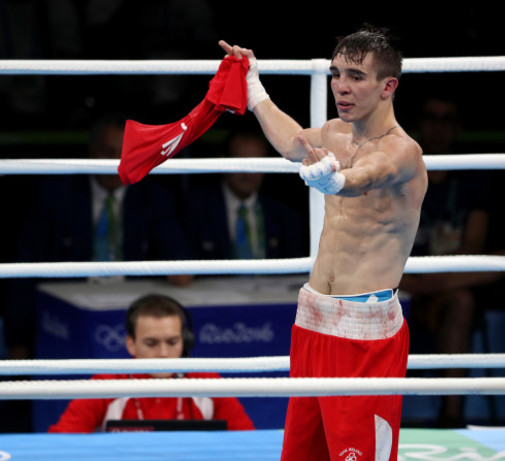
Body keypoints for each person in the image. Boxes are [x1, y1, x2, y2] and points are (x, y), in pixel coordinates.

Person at [220, 24, 427, 461]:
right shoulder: (334, 132)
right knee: (302, 453)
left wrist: (335, 180)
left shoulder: (403, 152)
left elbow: (368, 175)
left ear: (389, 86)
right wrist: (254, 89)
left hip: (364, 333)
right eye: (336, 74)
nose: (340, 87)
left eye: (355, 76)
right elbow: (292, 142)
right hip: (312, 318)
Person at [3, 114, 192, 360]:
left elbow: (179, 261)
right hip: (67, 320)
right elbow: (24, 270)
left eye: (124, 152)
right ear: (91, 151)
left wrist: (178, 265)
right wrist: (17, 341)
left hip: (135, 314)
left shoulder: (155, 198)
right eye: (107, 152)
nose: (116, 162)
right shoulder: (54, 196)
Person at [399, 96, 505, 427]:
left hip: (451, 280)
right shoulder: (399, 169)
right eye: (431, 118)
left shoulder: (472, 178)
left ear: (457, 128)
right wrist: (417, 284)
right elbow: (382, 243)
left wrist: (435, 285)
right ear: (419, 124)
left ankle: (452, 417)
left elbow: (474, 248)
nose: (438, 127)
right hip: (401, 281)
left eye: (447, 119)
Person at [48, 293, 255, 432]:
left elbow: (250, 443)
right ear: (131, 344)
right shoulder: (106, 385)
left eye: (173, 342)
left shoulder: (207, 384)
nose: (164, 353)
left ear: (186, 341)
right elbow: (60, 444)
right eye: (151, 343)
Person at [185, 128, 305, 260]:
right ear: (223, 161)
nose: (248, 173)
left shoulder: (285, 216)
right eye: (241, 163)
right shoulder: (195, 209)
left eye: (257, 164)